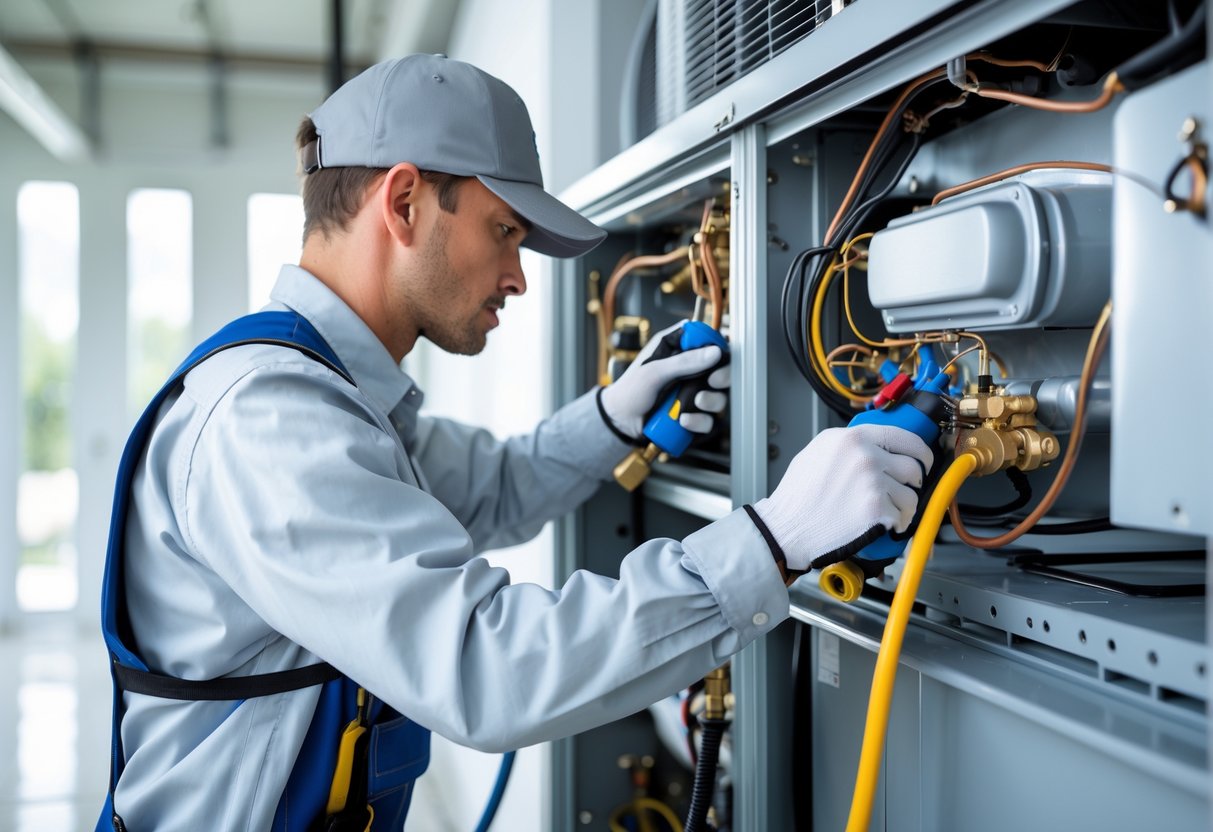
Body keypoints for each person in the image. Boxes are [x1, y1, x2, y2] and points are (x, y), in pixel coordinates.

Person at [99, 54, 933, 831]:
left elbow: (493, 487)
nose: (519, 276)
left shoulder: (336, 396)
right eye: (505, 231)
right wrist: (773, 539)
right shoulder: (271, 421)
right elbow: (486, 668)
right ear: (403, 202)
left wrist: (611, 416)